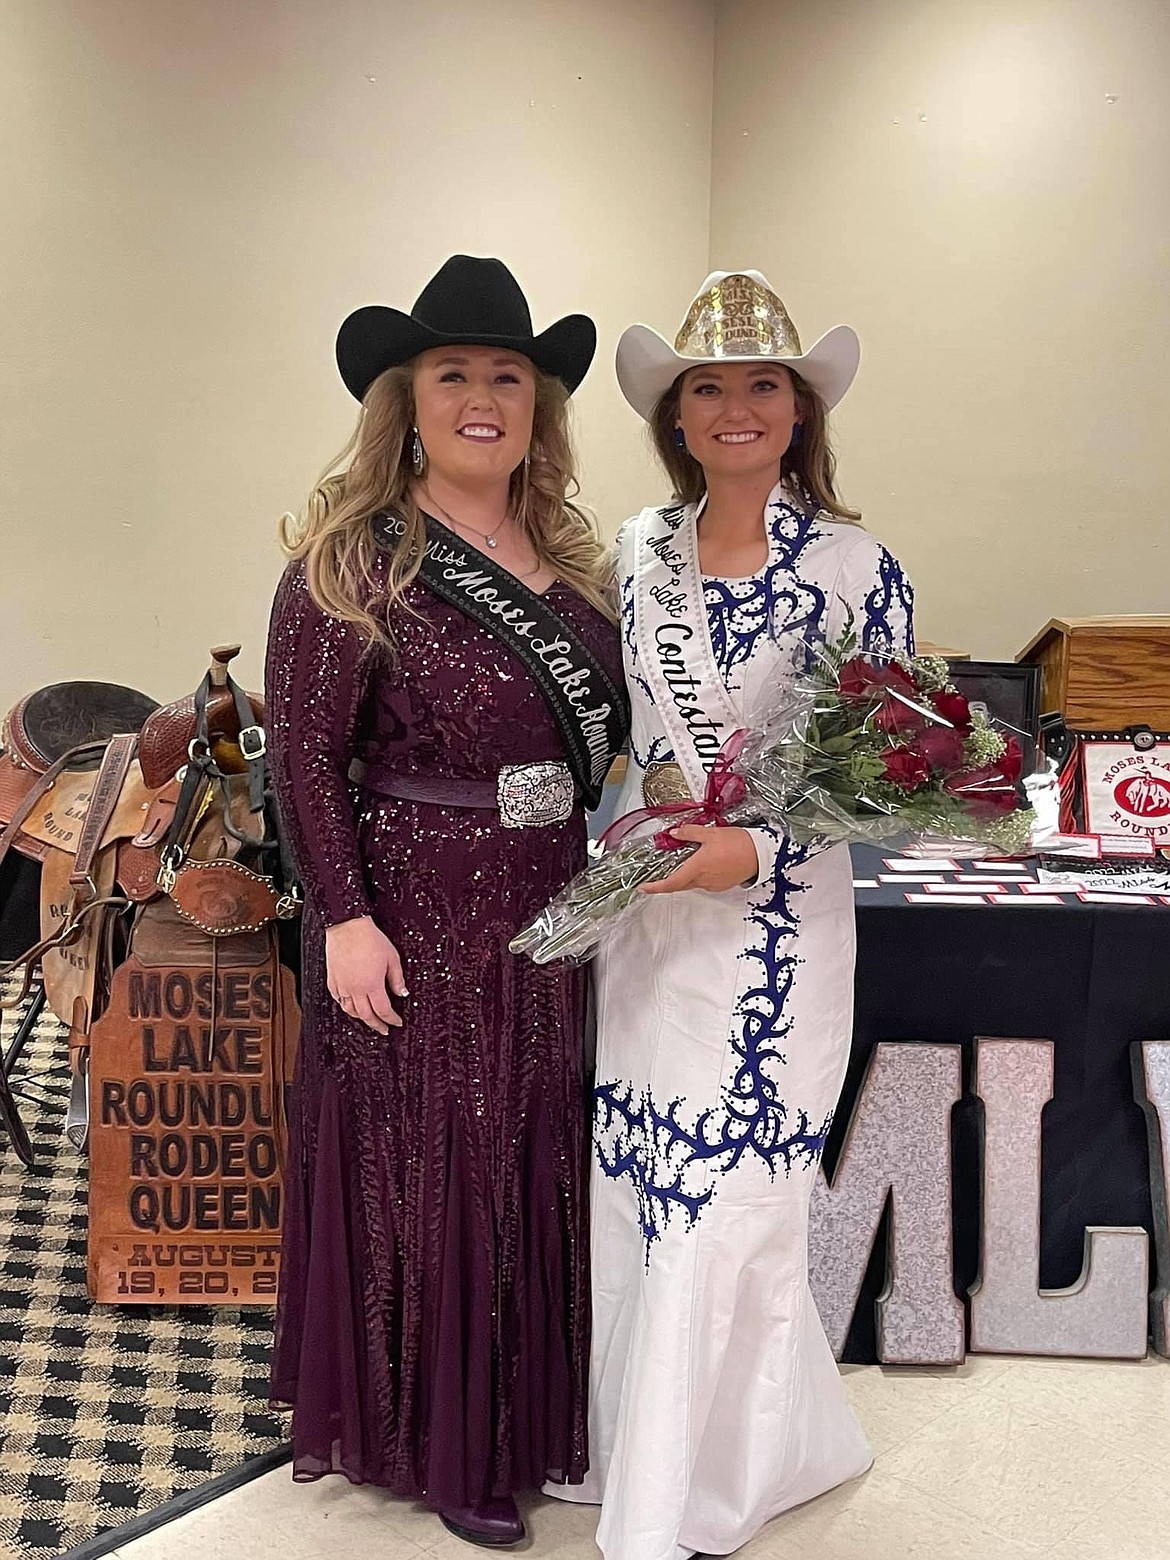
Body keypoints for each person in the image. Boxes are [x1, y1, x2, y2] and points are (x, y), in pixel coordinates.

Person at [548, 270, 915, 1560]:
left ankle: (708, 1480)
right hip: (652, 915)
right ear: (678, 413)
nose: (738, 406)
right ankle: (641, 1449)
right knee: (640, 1175)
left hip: (776, 928)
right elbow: (607, 726)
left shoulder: (863, 568)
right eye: (710, 386)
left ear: (802, 410)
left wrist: (750, 847)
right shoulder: (633, 551)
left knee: (731, 1187)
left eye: (765, 384)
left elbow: (880, 762)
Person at [264, 255, 627, 1549]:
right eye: (454, 375)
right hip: (416, 904)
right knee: (441, 1166)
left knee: (531, 1154)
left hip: (554, 900)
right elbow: (302, 759)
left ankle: (528, 1421)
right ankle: (442, 1442)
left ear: (539, 405)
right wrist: (342, 918)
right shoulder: (351, 562)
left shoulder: (581, 562)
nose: (483, 398)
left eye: (507, 377)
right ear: (405, 404)